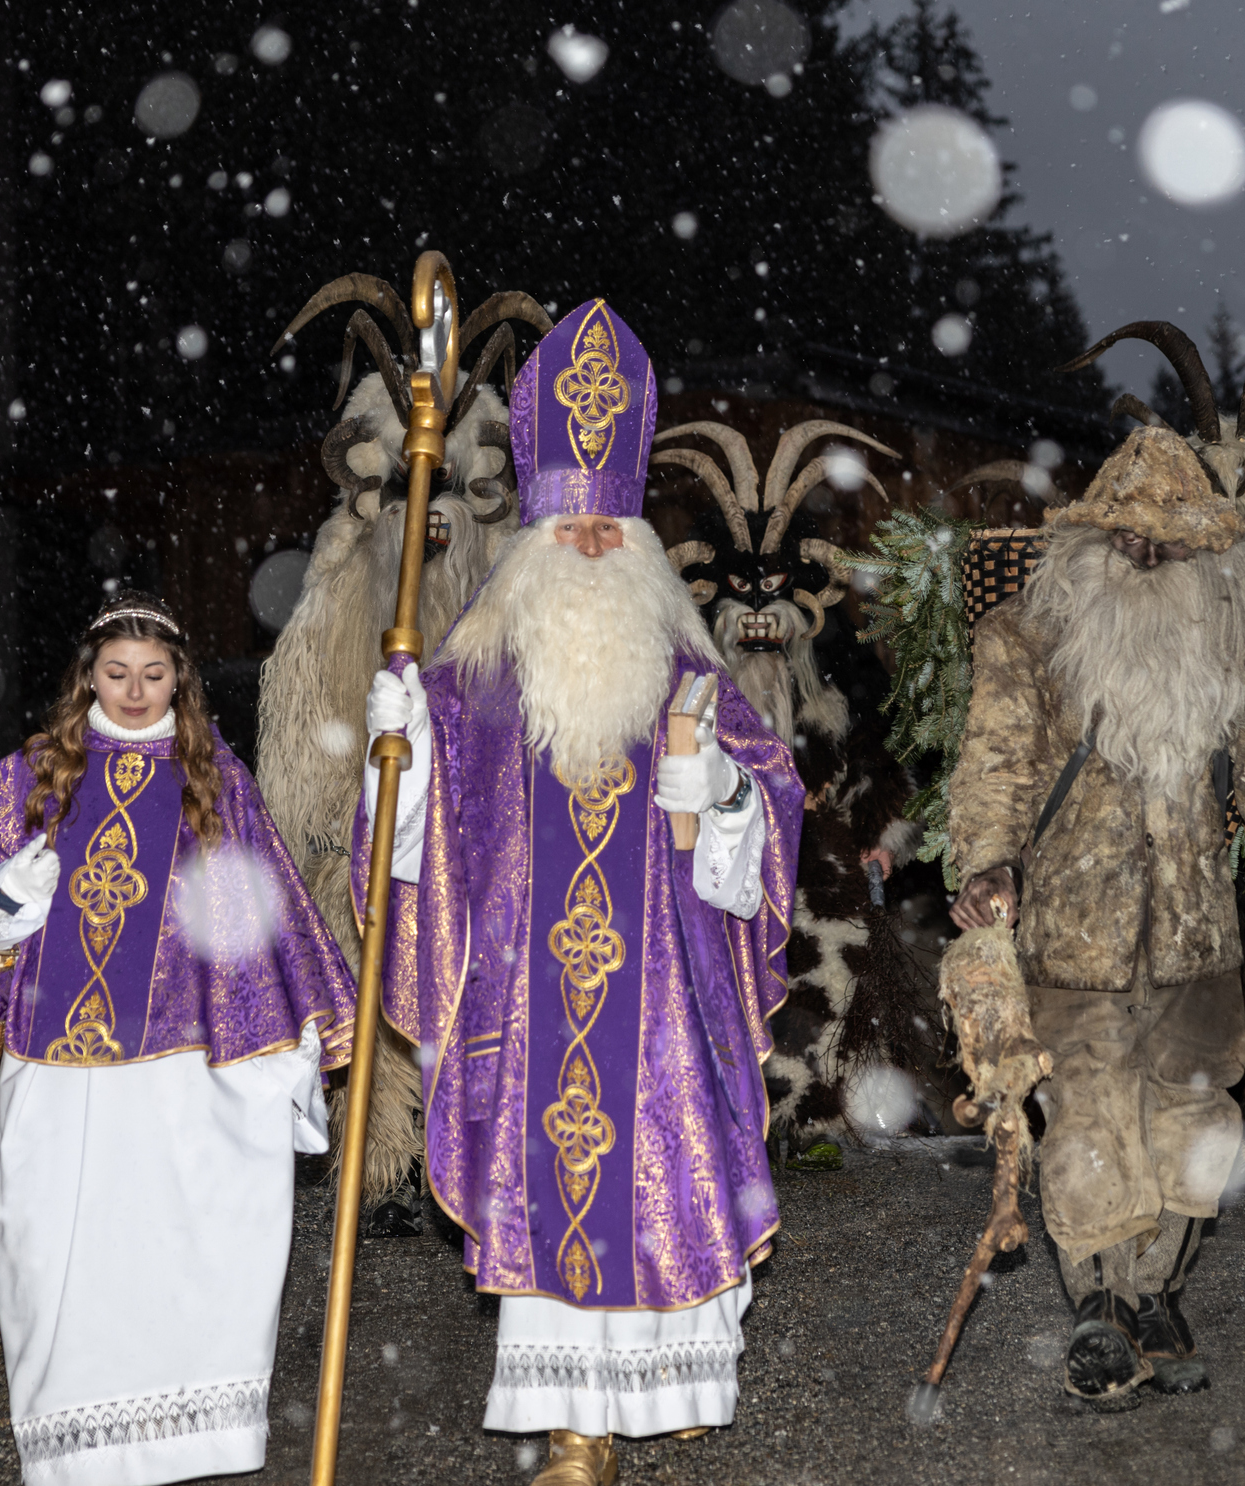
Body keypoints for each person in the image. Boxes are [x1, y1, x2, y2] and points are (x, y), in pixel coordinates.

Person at [353, 301, 801, 1485]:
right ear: (534, 535)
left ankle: (671, 1385)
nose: (597, 543)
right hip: (529, 1001)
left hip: (661, 1002)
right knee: (554, 1191)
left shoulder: (687, 669)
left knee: (668, 1182)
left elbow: (773, 806)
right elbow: (416, 838)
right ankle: (573, 1429)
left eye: (614, 524)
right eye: (575, 523)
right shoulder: (469, 680)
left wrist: (714, 791)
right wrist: (395, 751)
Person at [0, 590, 357, 1485]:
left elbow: (257, 921)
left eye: (154, 675)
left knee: (187, 1249)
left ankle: (189, 1441)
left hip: (183, 1072)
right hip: (56, 1071)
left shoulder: (213, 779)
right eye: (117, 673)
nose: (134, 692)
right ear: (87, 675)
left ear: (182, 681)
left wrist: (284, 1046)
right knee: (54, 1258)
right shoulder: (31, 775)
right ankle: (73, 1450)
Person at [944, 425, 1245, 1404]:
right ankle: (1099, 1308)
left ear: (1209, 551)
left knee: (1189, 1130)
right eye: (1131, 538)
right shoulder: (1024, 639)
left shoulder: (1238, 655)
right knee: (1083, 1125)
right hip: (1068, 941)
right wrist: (988, 864)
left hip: (1194, 943)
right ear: (1094, 540)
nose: (1149, 555)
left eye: (1172, 541)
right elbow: (994, 761)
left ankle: (1154, 1295)